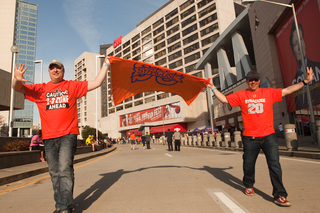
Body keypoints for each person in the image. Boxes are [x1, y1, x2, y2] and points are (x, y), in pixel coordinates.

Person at [12, 58, 110, 213]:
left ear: (63, 70)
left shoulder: (71, 86)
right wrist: (16, 79)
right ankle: (62, 204)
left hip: (67, 135)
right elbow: (18, 88)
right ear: (49, 71)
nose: (55, 70)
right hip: (49, 137)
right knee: (54, 172)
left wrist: (106, 64)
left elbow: (97, 82)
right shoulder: (40, 89)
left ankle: (63, 207)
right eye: (52, 68)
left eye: (58, 68)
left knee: (64, 169)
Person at [207, 68, 313, 207]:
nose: (253, 82)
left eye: (255, 80)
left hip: (269, 136)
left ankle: (280, 195)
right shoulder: (241, 94)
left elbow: (287, 90)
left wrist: (305, 82)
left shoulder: (268, 92)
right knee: (249, 164)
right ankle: (249, 184)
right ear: (246, 82)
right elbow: (224, 100)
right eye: (250, 80)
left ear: (259, 81)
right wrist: (212, 87)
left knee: (275, 165)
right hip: (250, 137)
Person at [289, 22, 320, 110]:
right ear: (292, 50)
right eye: (295, 44)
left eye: (300, 40)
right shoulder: (294, 80)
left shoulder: (318, 67)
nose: (299, 47)